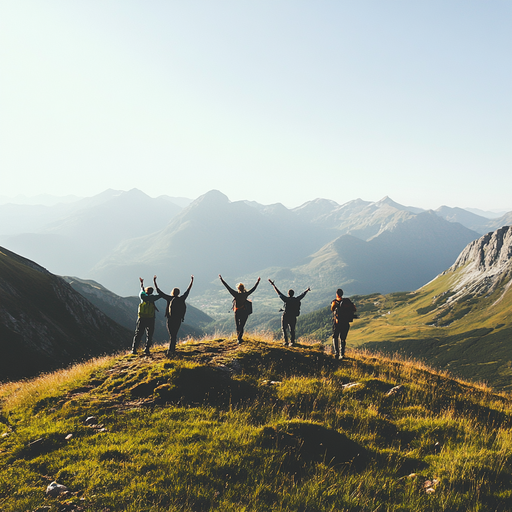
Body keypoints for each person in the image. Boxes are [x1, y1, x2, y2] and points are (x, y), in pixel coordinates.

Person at [154, 274, 194, 356]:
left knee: (171, 335)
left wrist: (154, 281)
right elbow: (188, 290)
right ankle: (172, 349)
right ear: (178, 293)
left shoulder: (169, 298)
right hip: (178, 319)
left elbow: (159, 291)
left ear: (172, 292)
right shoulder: (182, 298)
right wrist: (192, 281)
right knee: (174, 335)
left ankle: (171, 350)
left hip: (170, 319)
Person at [219, 274, 261, 343]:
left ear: (238, 288)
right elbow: (253, 289)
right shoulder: (246, 294)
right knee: (241, 325)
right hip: (244, 311)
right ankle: (239, 338)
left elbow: (228, 287)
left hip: (237, 311)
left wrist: (221, 279)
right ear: (243, 288)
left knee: (237, 326)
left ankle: (238, 338)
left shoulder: (236, 294)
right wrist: (257, 282)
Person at [268, 279, 310, 346]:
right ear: (293, 294)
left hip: (286, 316)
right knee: (292, 329)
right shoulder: (296, 299)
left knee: (284, 328)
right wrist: (307, 290)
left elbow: (279, 293)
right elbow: (302, 295)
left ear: (288, 294)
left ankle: (286, 341)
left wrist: (273, 285)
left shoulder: (286, 299)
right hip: (293, 316)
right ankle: (292, 342)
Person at [131, 277, 163, 355]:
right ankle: (147, 349)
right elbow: (160, 294)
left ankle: (134, 349)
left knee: (138, 334)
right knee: (149, 334)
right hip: (151, 318)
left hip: (142, 318)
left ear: (146, 291)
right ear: (152, 292)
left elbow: (142, 290)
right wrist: (155, 283)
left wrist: (142, 284)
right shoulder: (153, 298)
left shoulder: (143, 297)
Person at [331, 288, 357, 360]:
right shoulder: (347, 302)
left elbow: (332, 309)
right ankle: (342, 354)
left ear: (337, 294)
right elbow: (354, 309)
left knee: (335, 337)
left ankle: (336, 353)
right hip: (345, 323)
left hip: (337, 323)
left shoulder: (335, 302)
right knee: (343, 339)